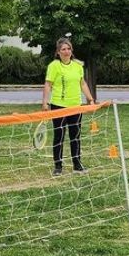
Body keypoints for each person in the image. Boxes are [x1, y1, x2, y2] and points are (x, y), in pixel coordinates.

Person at [41, 37, 95, 176]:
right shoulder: (54, 66)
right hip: (58, 106)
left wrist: (90, 99)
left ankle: (77, 164)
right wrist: (45, 102)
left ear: (72, 50)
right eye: (63, 49)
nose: (66, 51)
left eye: (68, 49)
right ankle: (58, 166)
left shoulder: (77, 67)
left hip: (76, 106)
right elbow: (48, 84)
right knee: (59, 136)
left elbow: (82, 83)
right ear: (58, 52)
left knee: (75, 136)